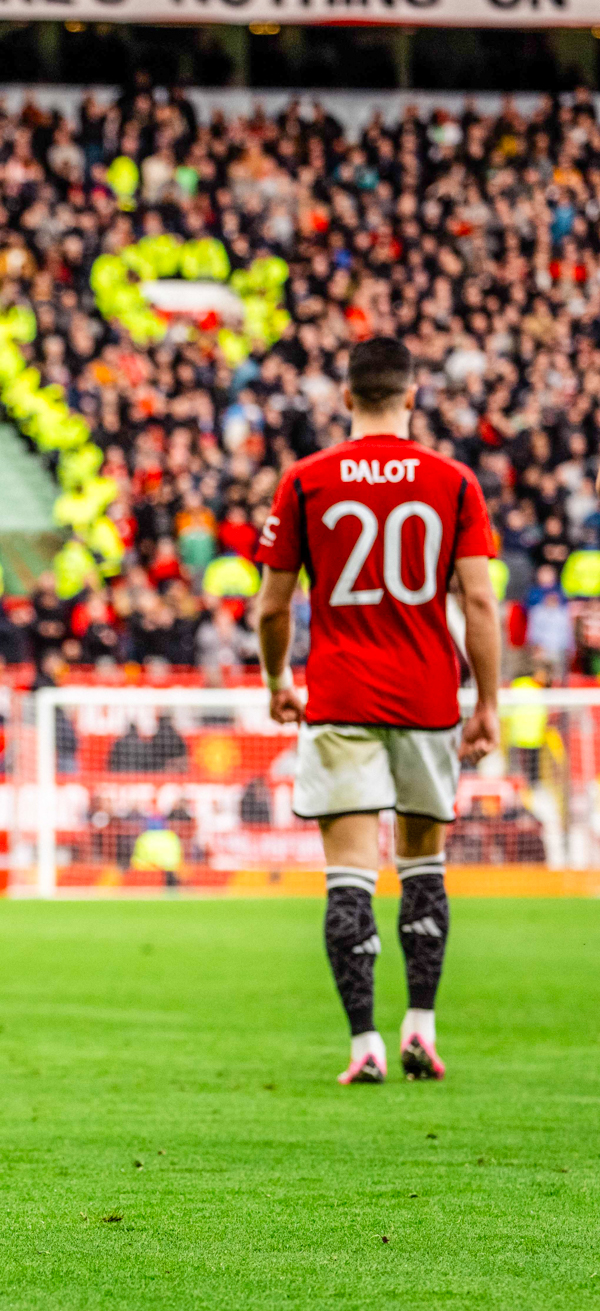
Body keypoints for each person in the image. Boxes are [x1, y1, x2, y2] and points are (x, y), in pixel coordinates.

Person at [252, 337, 501, 1088]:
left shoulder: (305, 480)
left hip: (341, 695)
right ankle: (421, 1026)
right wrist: (488, 702)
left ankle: (364, 1043)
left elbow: (272, 606)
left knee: (349, 878)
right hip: (427, 697)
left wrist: (277, 680)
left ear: (347, 397)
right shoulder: (453, 481)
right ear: (413, 395)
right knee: (423, 865)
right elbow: (480, 601)